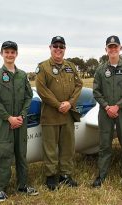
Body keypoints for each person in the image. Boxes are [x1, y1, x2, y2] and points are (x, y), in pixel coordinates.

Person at [0, 41, 38, 202]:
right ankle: (2, 189)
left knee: (21, 153)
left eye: (12, 52)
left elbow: (29, 96)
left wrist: (22, 115)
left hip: (21, 121)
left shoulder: (22, 75)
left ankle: (23, 185)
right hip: (4, 123)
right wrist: (9, 118)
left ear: (16, 54)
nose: (10, 55)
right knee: (4, 154)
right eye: (7, 52)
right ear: (1, 53)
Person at [35, 36, 83, 190]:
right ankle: (50, 177)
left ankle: (65, 175)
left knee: (67, 147)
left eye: (61, 46)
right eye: (55, 46)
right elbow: (42, 90)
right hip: (50, 114)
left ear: (64, 49)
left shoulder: (70, 66)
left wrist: (69, 103)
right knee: (50, 148)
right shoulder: (43, 67)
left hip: (68, 114)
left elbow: (79, 85)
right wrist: (58, 105)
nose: (58, 49)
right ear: (50, 48)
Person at [92, 35, 122, 188]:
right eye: (110, 47)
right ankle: (101, 175)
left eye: (115, 47)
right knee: (104, 145)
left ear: (120, 48)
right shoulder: (100, 69)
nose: (113, 49)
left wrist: (117, 106)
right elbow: (96, 92)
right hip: (105, 112)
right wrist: (106, 107)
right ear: (106, 50)